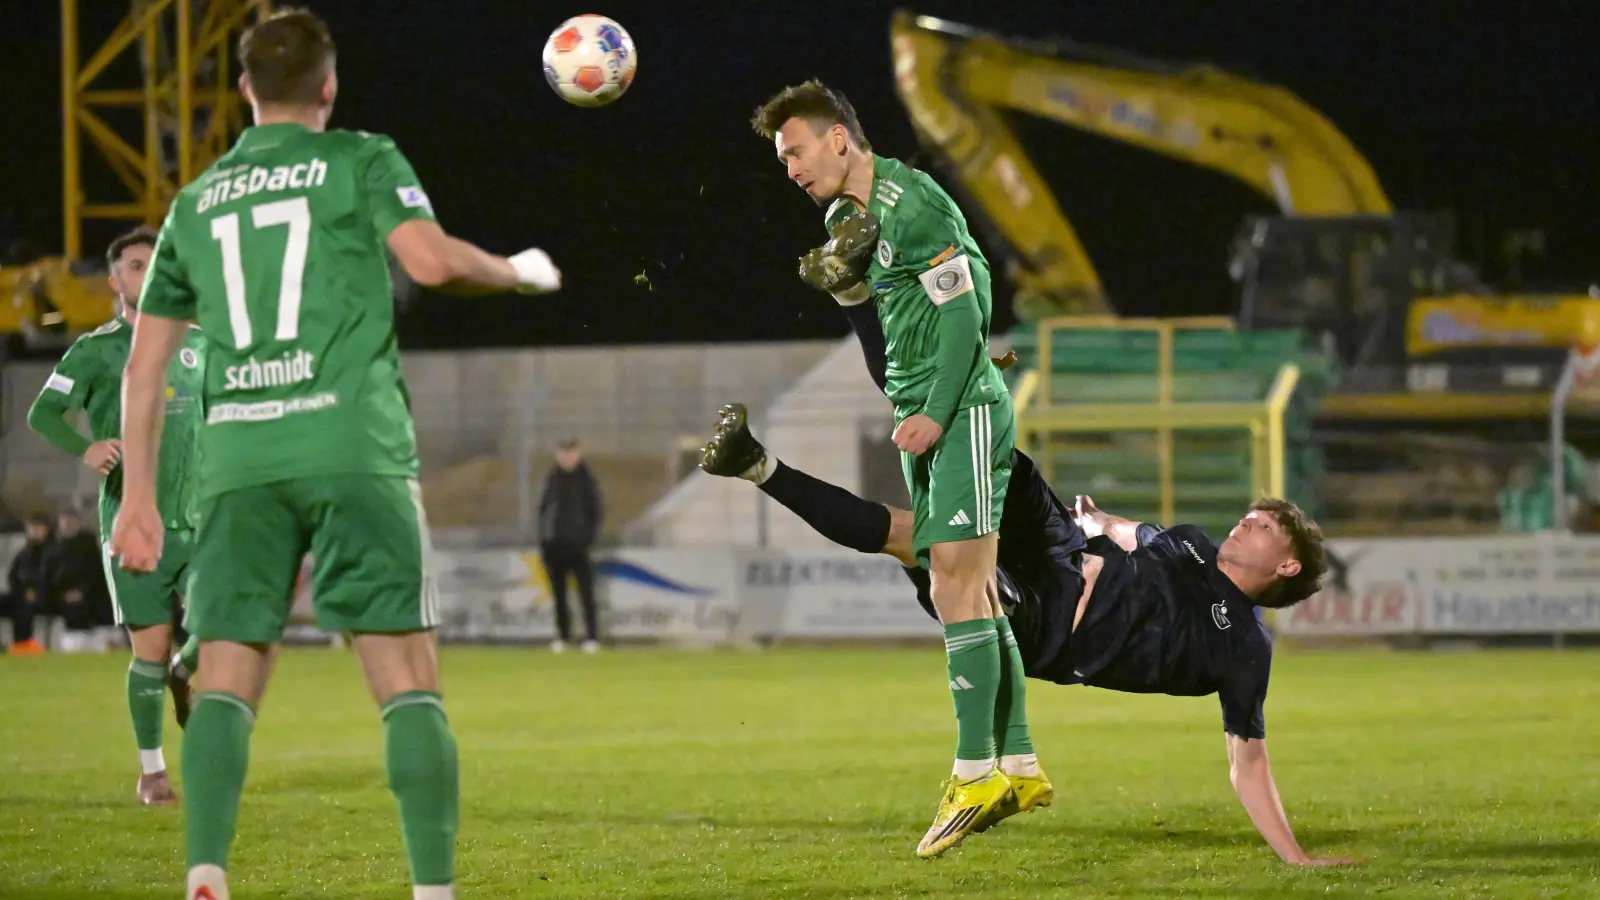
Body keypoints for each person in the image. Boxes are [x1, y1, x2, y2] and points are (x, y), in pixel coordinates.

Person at [108, 9, 562, 900]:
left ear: (245, 87)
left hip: (239, 463)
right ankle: (432, 891)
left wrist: (138, 501)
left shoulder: (195, 202)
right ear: (328, 84)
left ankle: (206, 873)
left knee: (226, 677)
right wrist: (518, 270)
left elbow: (144, 367)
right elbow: (430, 262)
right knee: (405, 679)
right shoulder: (361, 158)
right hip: (355, 447)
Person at [700, 406, 1356, 867]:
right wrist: (1097, 519)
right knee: (999, 453)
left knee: (909, 536)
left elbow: (1247, 761)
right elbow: (1129, 532)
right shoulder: (1191, 544)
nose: (1246, 522)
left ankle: (756, 466)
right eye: (1250, 516)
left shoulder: (1245, 647)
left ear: (1285, 567)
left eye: (1264, 527)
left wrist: (1294, 856)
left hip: (1046, 628)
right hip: (1058, 550)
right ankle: (944, 394)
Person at [752, 79, 1041, 859]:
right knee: (971, 585)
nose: (790, 169)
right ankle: (1018, 763)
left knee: (950, 581)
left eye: (796, 152)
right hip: (924, 416)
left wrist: (938, 413)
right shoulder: (843, 218)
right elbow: (888, 331)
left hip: (964, 411)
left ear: (838, 138)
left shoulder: (912, 205)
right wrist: (849, 292)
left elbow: (966, 315)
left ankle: (974, 774)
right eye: (781, 159)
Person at [26, 228, 205, 802]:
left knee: (227, 624)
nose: (147, 274)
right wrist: (85, 448)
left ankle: (185, 670)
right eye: (135, 266)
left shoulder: (201, 344)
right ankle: (152, 772)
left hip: (202, 519)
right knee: (148, 650)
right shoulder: (94, 350)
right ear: (113, 280)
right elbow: (42, 413)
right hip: (133, 521)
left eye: (156, 264)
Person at [537, 438, 603, 653]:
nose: (566, 457)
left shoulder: (586, 479)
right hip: (555, 547)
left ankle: (592, 636)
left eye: (570, 452)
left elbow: (595, 511)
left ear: (578, 453)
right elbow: (544, 511)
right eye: (563, 453)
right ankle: (563, 636)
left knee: (586, 594)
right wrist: (545, 541)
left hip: (579, 547)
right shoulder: (551, 479)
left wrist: (588, 540)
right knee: (559, 596)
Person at [3, 513, 54, 656]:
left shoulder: (52, 551)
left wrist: (36, 591)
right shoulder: (24, 553)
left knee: (23, 607)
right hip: (22, 594)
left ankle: (23, 644)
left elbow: (51, 577)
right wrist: (21, 591)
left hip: (46, 596)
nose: (34, 532)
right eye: (32, 528)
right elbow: (12, 576)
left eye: (38, 528)